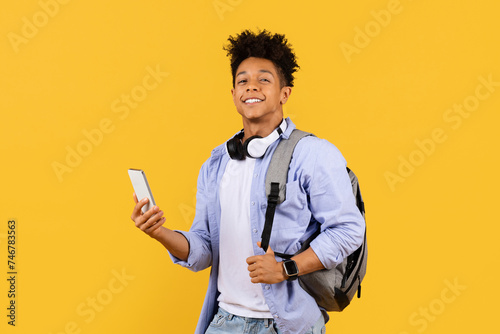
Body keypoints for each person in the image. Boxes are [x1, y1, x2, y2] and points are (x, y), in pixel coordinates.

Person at [130, 29, 365, 334]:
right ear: (233, 94)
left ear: (285, 93)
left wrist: (285, 269)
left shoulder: (313, 154)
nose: (251, 86)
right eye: (242, 80)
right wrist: (159, 232)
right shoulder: (216, 164)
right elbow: (204, 250)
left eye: (264, 79)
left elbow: (348, 229)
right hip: (224, 320)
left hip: (287, 324)